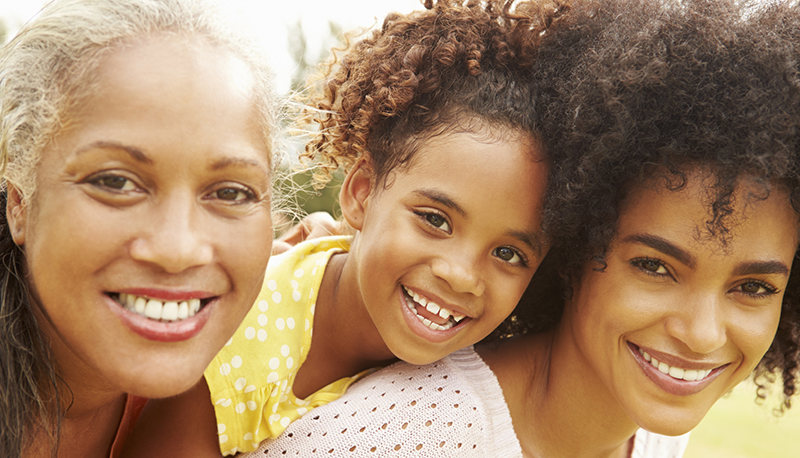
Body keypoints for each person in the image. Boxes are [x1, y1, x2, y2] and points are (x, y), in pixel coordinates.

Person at [243, 0, 800, 456]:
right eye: (654, 266)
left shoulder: (650, 429)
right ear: (571, 251)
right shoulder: (388, 438)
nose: (703, 336)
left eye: (754, 287)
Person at [122, 1, 557, 456]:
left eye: (508, 254)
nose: (462, 275)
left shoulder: (489, 365)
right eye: (435, 220)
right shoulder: (243, 337)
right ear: (362, 193)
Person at [0, 0, 277, 457]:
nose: (178, 249)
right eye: (115, 182)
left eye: (230, 193)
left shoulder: (245, 375)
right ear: (19, 202)